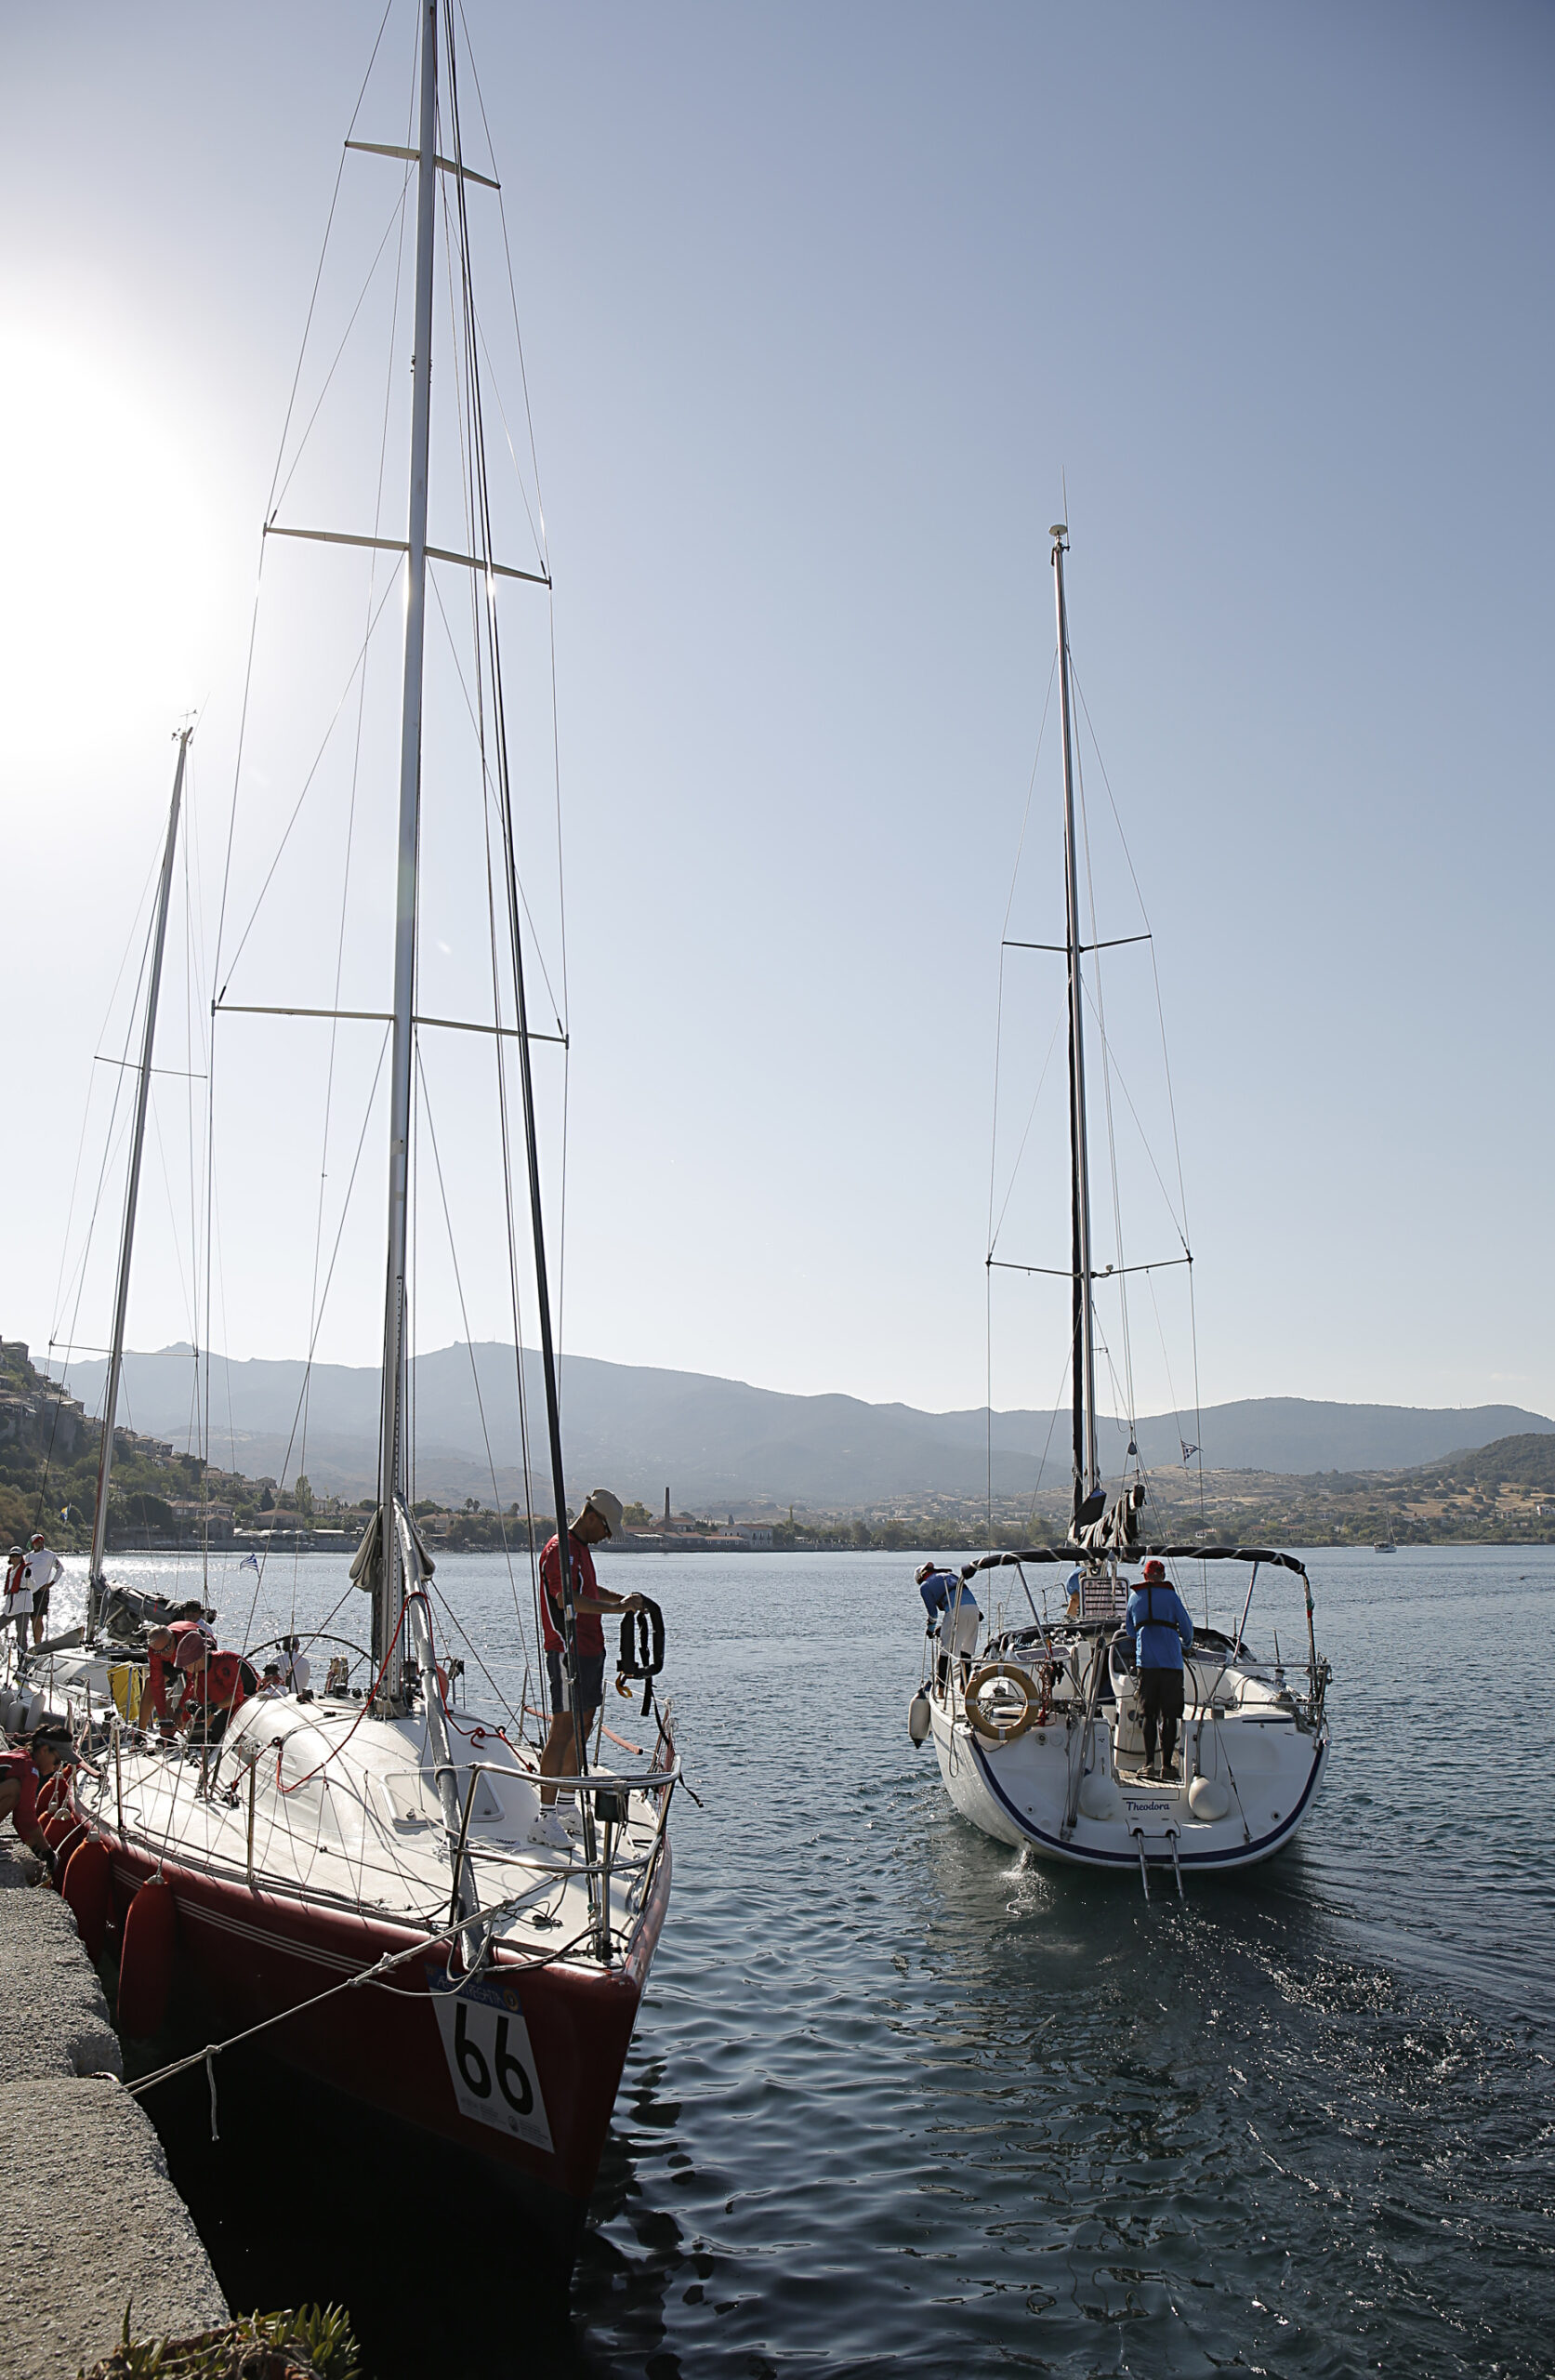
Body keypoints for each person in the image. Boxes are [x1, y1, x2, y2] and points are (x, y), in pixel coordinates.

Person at [534, 1489, 645, 1846]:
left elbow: (589, 1589)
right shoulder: (560, 1550)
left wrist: (624, 1600)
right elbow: (567, 1599)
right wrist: (618, 1609)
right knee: (563, 1729)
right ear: (592, 1517)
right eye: (607, 1529)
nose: (607, 1537)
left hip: (590, 1650)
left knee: (582, 1726)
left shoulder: (580, 1551)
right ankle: (545, 1817)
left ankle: (567, 1806)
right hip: (567, 1651)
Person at [1124, 1557, 1194, 1781]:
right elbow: (1186, 1627)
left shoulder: (1134, 1598)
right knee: (1170, 1715)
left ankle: (1148, 1764)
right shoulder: (1171, 1597)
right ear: (1162, 1576)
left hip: (1147, 1664)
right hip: (1171, 1663)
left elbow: (1130, 1630)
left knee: (1148, 1714)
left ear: (1145, 1576)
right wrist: (1186, 1644)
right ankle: (1167, 1766)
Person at [0, 1724, 72, 1881]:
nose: (57, 1767)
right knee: (14, 1788)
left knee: (15, 1792)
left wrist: (36, 1849)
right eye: (57, 1760)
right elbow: (26, 1817)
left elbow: (19, 1819)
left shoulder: (21, 1758)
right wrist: (48, 1851)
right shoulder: (29, 1771)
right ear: (44, 1750)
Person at [171, 1633, 254, 1745]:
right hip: (226, 1708)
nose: (185, 1669)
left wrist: (213, 1708)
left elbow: (236, 1696)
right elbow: (199, 1698)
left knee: (216, 1732)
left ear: (198, 1659)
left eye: (186, 1665)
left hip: (248, 1704)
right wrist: (188, 1715)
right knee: (210, 1733)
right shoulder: (199, 1673)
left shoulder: (223, 1662)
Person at [141, 1616, 217, 1731]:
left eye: (166, 1648)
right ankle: (141, 1733)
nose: (164, 1654)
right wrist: (163, 1717)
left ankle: (200, 1728)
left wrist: (179, 1711)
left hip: (199, 1652)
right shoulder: (157, 1650)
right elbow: (157, 1684)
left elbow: (191, 1683)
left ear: (172, 1638)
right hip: (174, 1657)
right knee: (150, 1683)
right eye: (160, 1651)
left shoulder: (189, 1643)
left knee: (200, 1688)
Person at [23, 1533, 63, 1648]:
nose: (40, 1543)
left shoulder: (49, 1555)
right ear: (33, 1544)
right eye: (37, 1541)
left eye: (41, 1541)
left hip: (41, 1591)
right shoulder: (28, 1556)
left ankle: (38, 1643)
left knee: (38, 1617)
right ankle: (31, 1643)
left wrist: (50, 1584)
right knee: (31, 1618)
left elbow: (60, 1569)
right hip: (29, 1591)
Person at [4, 1547, 32, 1658]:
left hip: (22, 1606)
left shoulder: (26, 1569)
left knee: (21, 1634)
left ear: (21, 1557)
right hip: (11, 1606)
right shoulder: (10, 1571)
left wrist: (28, 1578)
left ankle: (22, 1659)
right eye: (13, 1556)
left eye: (17, 1556)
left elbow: (32, 1586)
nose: (15, 1558)